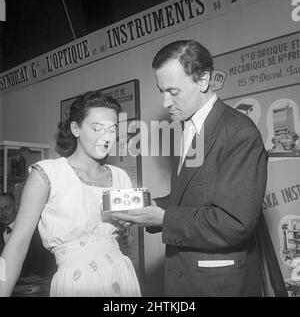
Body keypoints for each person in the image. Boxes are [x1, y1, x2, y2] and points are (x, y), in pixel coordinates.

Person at [113, 40, 269, 297]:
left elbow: (234, 223)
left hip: (219, 285)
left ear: (204, 80)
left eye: (173, 91)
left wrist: (163, 219)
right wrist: (143, 207)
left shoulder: (239, 132)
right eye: (161, 90)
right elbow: (190, 199)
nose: (165, 102)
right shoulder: (187, 127)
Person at [0, 91, 141, 297]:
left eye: (112, 130)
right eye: (97, 128)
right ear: (76, 128)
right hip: (76, 282)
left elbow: (126, 242)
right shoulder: (48, 174)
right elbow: (16, 245)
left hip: (121, 275)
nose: (106, 137)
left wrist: (126, 228)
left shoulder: (120, 177)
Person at [0, 192, 55, 278]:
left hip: (37, 283)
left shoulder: (34, 228)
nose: (3, 213)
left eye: (6, 207)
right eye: (0, 209)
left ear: (16, 207)